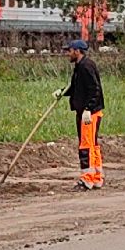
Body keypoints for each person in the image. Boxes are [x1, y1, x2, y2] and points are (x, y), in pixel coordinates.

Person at [54, 39, 104, 189]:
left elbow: (95, 89)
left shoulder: (86, 67)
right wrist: (62, 92)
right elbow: (77, 87)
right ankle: (96, 177)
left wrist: (88, 109)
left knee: (86, 145)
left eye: (69, 51)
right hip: (87, 111)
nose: (67, 54)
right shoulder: (80, 66)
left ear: (77, 51)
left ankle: (87, 179)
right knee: (92, 144)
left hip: (89, 113)